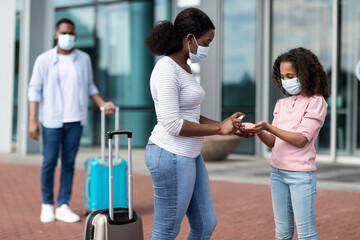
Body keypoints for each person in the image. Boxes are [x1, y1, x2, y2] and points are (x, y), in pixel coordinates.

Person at [144, 8, 243, 240]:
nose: (207, 48)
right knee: (167, 229)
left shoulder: (185, 68)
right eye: (206, 42)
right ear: (190, 38)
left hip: (190, 155)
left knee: (205, 224)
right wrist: (219, 129)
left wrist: (224, 124)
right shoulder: (166, 70)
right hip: (169, 154)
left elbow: (190, 115)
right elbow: (172, 123)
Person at [28, 18, 115, 223]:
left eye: (71, 33)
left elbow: (89, 85)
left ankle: (64, 204)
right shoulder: (44, 59)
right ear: (56, 35)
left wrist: (102, 104)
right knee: (49, 162)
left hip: (75, 119)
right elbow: (34, 90)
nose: (68, 37)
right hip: (51, 120)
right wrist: (33, 120)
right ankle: (47, 205)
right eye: (64, 33)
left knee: (68, 163)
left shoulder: (83, 58)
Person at [240, 47, 329, 240]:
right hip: (277, 173)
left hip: (301, 176)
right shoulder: (282, 104)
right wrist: (258, 130)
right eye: (282, 76)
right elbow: (273, 142)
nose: (286, 81)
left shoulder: (316, 102)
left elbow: (300, 139)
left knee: (306, 235)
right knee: (282, 233)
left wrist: (267, 127)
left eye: (291, 75)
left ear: (305, 74)